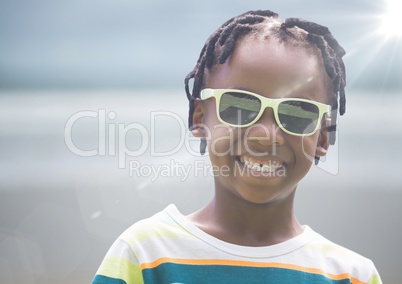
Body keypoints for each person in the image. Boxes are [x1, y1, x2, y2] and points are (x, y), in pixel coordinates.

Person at [92, 10, 382, 283]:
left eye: (297, 112)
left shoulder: (350, 275)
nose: (266, 135)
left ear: (322, 138)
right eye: (240, 106)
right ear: (200, 118)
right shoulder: (145, 256)